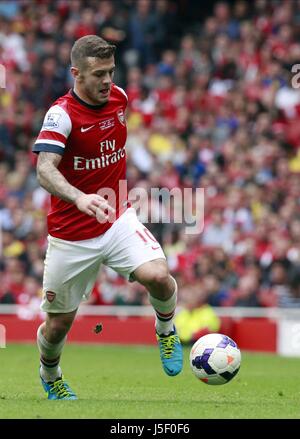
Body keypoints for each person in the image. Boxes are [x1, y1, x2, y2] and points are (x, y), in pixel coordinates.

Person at [33, 35, 182, 400]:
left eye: (111, 72)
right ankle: (50, 376)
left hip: (117, 218)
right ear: (76, 73)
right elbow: (44, 169)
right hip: (71, 234)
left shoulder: (120, 98)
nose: (107, 81)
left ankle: (166, 331)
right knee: (57, 326)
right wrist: (79, 196)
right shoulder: (61, 114)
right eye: (98, 73)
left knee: (159, 276)